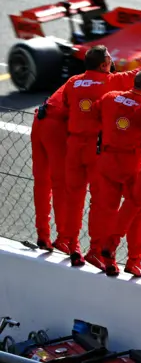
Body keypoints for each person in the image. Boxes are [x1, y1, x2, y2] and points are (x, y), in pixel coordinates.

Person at [58, 27, 141, 268]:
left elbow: (66, 105)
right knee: (122, 206)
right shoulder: (111, 82)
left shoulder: (74, 82)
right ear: (106, 64)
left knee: (75, 198)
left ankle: (71, 244)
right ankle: (131, 259)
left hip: (75, 145)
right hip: (105, 151)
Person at [87, 70, 141, 275]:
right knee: (137, 212)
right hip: (131, 163)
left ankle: (96, 252)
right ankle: (134, 261)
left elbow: (95, 111)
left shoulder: (110, 97)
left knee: (104, 210)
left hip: (107, 160)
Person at [31, 83, 70, 252]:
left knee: (41, 183)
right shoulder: (105, 87)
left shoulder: (74, 79)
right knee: (61, 185)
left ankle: (43, 234)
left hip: (39, 119)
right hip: (56, 128)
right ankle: (64, 238)